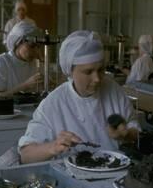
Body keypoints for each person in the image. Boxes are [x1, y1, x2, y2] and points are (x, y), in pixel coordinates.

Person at [18, 30, 140, 164]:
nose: (97, 79)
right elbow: (26, 155)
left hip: (114, 172)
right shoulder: (54, 103)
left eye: (100, 70)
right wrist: (52, 147)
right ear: (70, 71)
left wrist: (126, 134)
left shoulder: (113, 90)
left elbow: (135, 130)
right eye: (88, 72)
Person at [0, 21, 43, 97]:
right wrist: (25, 85)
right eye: (31, 46)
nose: (36, 51)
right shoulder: (0, 63)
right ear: (18, 43)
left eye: (38, 47)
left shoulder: (35, 64)